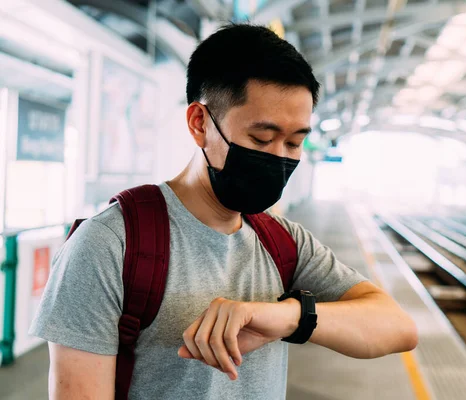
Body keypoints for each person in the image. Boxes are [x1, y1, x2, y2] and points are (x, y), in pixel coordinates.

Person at [30, 24, 417, 400]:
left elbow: (397, 327)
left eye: (295, 142)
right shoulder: (110, 245)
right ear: (200, 123)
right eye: (261, 138)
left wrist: (288, 317)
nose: (279, 157)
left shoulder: (284, 242)